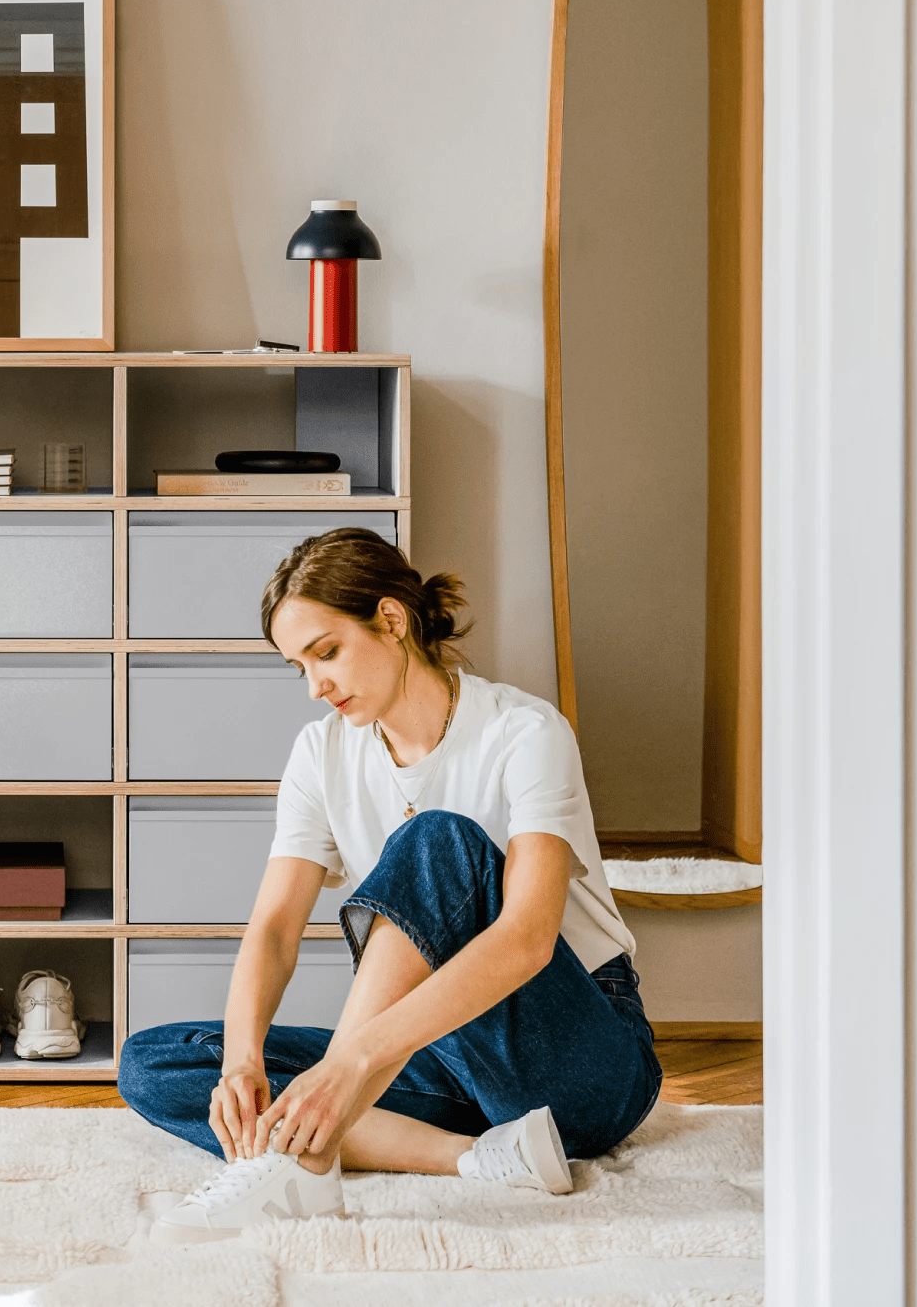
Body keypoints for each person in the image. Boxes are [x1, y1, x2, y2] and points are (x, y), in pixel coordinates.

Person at [118, 528, 661, 1245]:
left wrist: (351, 1063)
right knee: (162, 1062)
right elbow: (276, 929)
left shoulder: (525, 733)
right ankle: (474, 1158)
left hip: (578, 1059)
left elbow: (528, 939)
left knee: (438, 839)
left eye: (327, 652)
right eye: (298, 668)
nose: (315, 686)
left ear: (392, 620)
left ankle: (304, 1162)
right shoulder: (321, 752)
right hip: (445, 1059)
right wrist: (244, 1061)